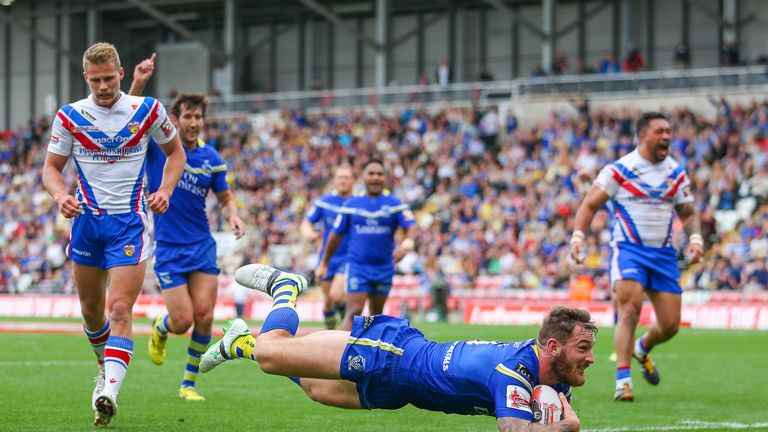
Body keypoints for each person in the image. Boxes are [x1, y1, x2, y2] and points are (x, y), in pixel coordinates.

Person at [200, 263, 595, 432]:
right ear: (553, 347)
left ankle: (240, 342)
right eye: (583, 348)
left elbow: (555, 410)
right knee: (273, 356)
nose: (591, 358)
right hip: (390, 355)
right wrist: (565, 427)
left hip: (397, 390)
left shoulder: (553, 375)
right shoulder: (515, 372)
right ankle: (285, 287)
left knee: (314, 387)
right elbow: (516, 429)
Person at [42, 42, 185, 426]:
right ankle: (104, 370)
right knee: (91, 313)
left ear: (121, 74)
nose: (103, 86)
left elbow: (176, 153)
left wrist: (166, 190)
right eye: (96, 80)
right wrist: (60, 196)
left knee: (119, 309)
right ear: (85, 78)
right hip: (86, 223)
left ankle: (109, 391)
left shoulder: (148, 110)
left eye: (109, 78)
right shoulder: (70, 116)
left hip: (129, 223)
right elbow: (51, 168)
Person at [128, 55, 245, 401]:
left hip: (201, 244)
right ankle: (161, 328)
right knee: (182, 321)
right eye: (187, 116)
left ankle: (188, 384)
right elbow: (130, 120)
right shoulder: (157, 149)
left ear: (203, 121)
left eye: (198, 117)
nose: (193, 122)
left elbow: (225, 197)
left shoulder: (211, 158)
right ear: (175, 120)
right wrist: (139, 83)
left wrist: (233, 215)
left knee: (206, 316)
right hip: (168, 247)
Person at [570, 112, 704, 402]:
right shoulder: (619, 170)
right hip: (629, 250)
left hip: (664, 255)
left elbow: (688, 212)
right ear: (643, 135)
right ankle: (623, 380)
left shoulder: (676, 173)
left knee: (669, 326)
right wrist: (578, 236)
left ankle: (642, 347)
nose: (667, 136)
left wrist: (695, 239)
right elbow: (589, 204)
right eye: (660, 131)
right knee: (629, 308)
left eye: (669, 131)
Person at [316, 159, 416, 331]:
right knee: (354, 312)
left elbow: (411, 226)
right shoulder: (351, 205)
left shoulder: (395, 204)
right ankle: (337, 353)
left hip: (384, 268)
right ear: (363, 177)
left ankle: (371, 356)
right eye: (371, 173)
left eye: (379, 174)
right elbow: (335, 237)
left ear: (385, 177)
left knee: (376, 315)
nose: (375, 177)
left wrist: (407, 244)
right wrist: (324, 263)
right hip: (358, 268)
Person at [300, 165, 355, 329]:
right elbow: (306, 222)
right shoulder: (324, 203)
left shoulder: (358, 203)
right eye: (340, 177)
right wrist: (308, 233)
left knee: (337, 296)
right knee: (328, 303)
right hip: (327, 258)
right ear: (335, 180)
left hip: (348, 257)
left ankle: (347, 330)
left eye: (346, 177)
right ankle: (331, 335)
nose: (343, 180)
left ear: (353, 181)